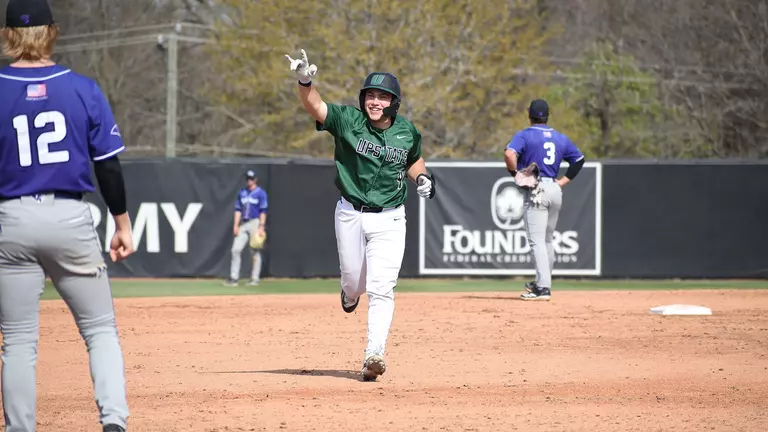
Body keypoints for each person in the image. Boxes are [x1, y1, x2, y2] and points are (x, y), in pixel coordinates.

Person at [0, 1, 133, 431]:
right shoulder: (82, 88)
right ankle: (113, 422)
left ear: (8, 36)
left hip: (10, 219)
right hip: (69, 217)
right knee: (99, 331)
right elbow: (108, 166)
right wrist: (122, 223)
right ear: (52, 31)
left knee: (18, 343)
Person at [284, 49, 436, 381]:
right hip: (350, 213)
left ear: (394, 103)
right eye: (370, 95)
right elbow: (315, 106)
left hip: (392, 217)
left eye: (383, 96)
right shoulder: (348, 121)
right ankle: (350, 293)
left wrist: (423, 177)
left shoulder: (407, 132)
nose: (375, 101)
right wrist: (305, 81)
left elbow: (413, 160)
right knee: (355, 281)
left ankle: (374, 354)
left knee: (382, 288)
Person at [504, 99, 585, 301]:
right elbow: (579, 160)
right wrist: (563, 182)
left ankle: (542, 287)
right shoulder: (560, 138)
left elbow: (509, 153)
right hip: (554, 188)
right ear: (548, 115)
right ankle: (543, 282)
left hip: (536, 189)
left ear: (529, 114)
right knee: (547, 240)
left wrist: (514, 172)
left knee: (537, 241)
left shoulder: (525, 135)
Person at [224, 169, 268, 287]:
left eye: (251, 178)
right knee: (235, 249)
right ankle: (234, 278)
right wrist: (235, 225)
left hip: (255, 222)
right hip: (243, 223)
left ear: (256, 180)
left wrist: (261, 226)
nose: (249, 181)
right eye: (248, 178)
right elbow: (238, 210)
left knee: (254, 251)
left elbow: (263, 211)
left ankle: (255, 279)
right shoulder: (242, 192)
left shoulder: (260, 193)